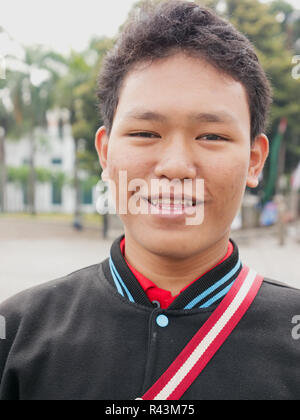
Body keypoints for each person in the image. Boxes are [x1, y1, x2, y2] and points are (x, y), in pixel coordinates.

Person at [0, 0, 299, 401]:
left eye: (211, 136)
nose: (175, 167)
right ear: (106, 153)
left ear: (254, 160)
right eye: (145, 133)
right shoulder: (17, 333)